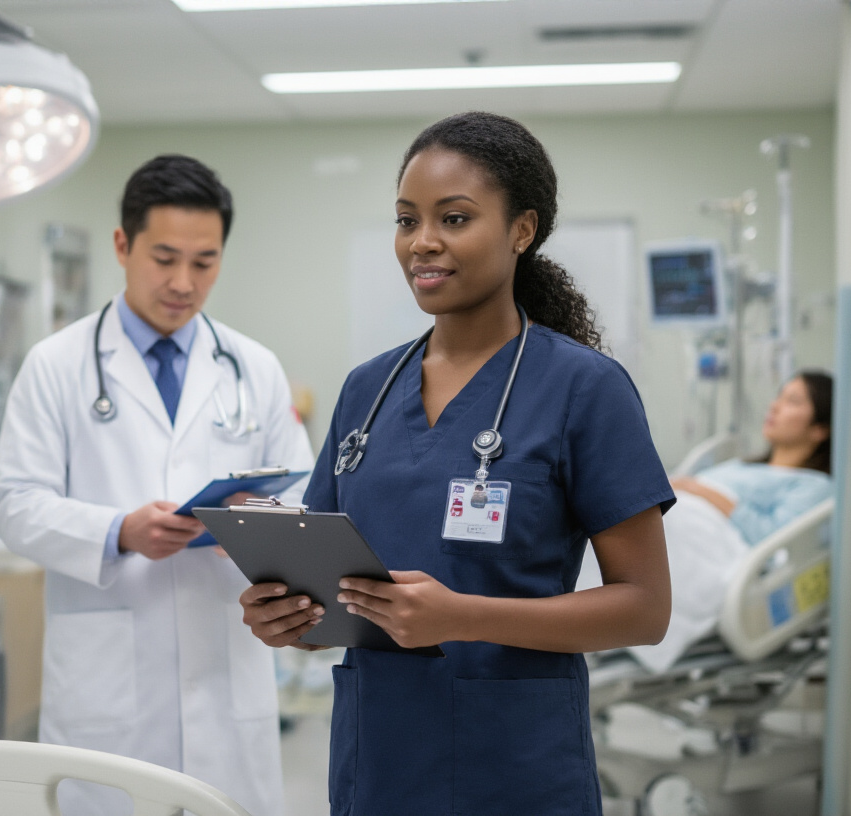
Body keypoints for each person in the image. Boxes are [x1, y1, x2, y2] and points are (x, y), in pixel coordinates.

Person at [240, 111, 676, 815]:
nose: (423, 242)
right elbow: (328, 586)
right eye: (406, 219)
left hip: (514, 763)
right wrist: (290, 619)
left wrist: (462, 617)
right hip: (377, 759)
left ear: (522, 230)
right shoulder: (367, 390)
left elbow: (645, 609)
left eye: (455, 217)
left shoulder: (584, 388)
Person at [0, 154, 315, 816]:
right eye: (164, 258)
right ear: (121, 245)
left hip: (225, 665)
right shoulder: (57, 366)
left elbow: (306, 495)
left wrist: (261, 522)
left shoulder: (254, 367)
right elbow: (14, 502)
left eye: (204, 261)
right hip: (109, 683)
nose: (183, 282)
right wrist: (119, 530)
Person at [672, 371, 833, 544]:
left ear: (820, 429)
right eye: (779, 396)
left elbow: (778, 543)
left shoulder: (814, 484)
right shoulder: (743, 466)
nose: (774, 406)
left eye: (792, 401)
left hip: (701, 534)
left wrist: (700, 490)